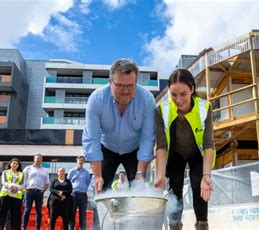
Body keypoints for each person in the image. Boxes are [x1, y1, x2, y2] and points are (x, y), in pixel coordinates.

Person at [83, 59, 156, 193]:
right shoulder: (96, 99)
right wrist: (98, 175)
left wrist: (140, 174)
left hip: (135, 150)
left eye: (130, 86)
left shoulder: (147, 100)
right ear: (110, 82)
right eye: (120, 85)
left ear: (136, 83)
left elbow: (148, 138)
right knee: (100, 189)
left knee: (138, 190)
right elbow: (92, 138)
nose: (125, 91)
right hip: (107, 149)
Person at [154, 69, 215, 230]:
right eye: (173, 94)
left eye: (183, 94)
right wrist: (160, 175)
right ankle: (174, 226)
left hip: (197, 153)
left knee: (199, 185)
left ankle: (202, 225)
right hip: (175, 153)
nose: (178, 100)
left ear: (192, 90)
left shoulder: (205, 107)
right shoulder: (161, 109)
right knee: (175, 190)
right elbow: (161, 146)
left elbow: (209, 144)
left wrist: (206, 175)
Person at [22, 153, 49, 230]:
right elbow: (22, 179)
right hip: (29, 191)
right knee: (27, 209)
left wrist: (43, 191)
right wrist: (25, 189)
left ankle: (38, 228)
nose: (38, 160)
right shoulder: (28, 168)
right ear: (34, 159)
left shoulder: (45, 170)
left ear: (42, 160)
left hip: (39, 192)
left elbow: (47, 182)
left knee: (39, 211)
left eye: (40, 158)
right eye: (37, 158)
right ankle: (24, 227)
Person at [0, 158, 24, 230]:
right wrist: (11, 186)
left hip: (17, 195)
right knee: (2, 213)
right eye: (13, 163)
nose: (15, 164)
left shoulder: (21, 174)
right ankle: (0, 228)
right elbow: (4, 182)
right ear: (10, 164)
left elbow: (22, 184)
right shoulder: (5, 172)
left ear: (18, 166)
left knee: (16, 214)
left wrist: (17, 188)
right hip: (5, 194)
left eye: (16, 164)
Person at [68, 155, 91, 230]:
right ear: (77, 161)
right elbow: (68, 182)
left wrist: (82, 189)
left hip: (83, 196)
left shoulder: (86, 172)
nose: (81, 161)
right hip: (73, 195)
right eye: (79, 160)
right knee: (72, 214)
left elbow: (87, 183)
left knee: (83, 214)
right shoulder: (72, 171)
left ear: (84, 162)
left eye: (82, 160)